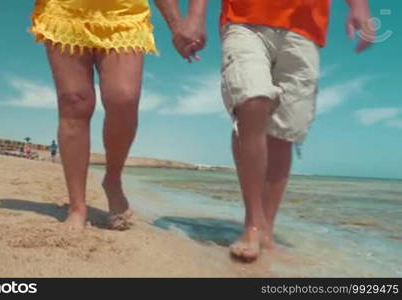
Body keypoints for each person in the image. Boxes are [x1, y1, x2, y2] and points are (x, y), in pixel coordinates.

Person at [155, 0, 374, 261]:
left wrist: (359, 7)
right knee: (251, 101)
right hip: (244, 19)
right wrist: (195, 14)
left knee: (285, 130)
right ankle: (252, 225)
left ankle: (266, 231)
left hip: (306, 28)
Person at [30, 0, 157, 231]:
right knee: (74, 101)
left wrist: (178, 22)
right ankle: (77, 206)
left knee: (124, 97)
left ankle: (113, 179)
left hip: (124, 12)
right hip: (65, 10)